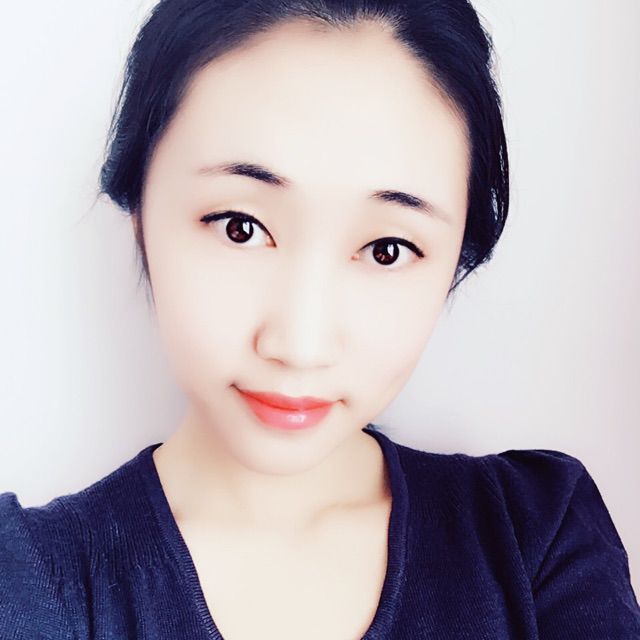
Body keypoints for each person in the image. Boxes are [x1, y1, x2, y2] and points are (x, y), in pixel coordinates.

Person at [1, 1, 639, 638]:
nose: (300, 345)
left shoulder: (537, 539)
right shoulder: (27, 581)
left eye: (387, 249)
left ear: (455, 263)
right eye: (240, 227)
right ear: (140, 211)